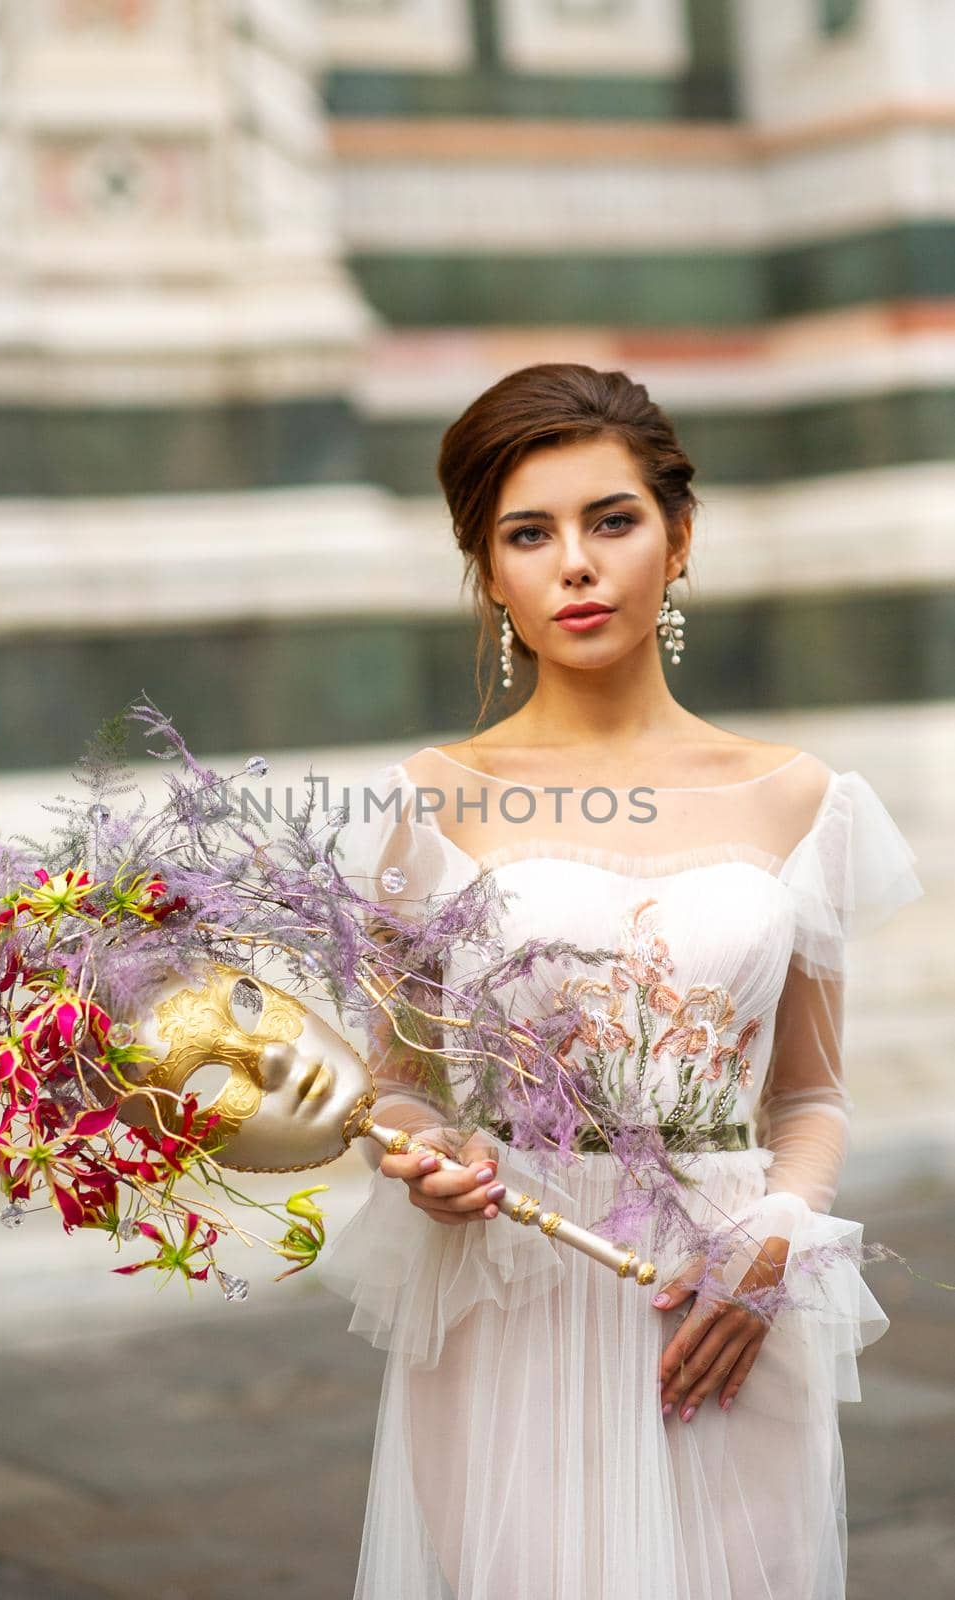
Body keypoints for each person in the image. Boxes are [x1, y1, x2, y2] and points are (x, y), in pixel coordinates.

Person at [318, 365, 924, 1599]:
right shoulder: (433, 801)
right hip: (510, 1289)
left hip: (723, 1306)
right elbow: (396, 1083)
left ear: (678, 536)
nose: (576, 565)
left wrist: (773, 1243)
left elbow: (808, 1097)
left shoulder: (802, 798)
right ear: (490, 573)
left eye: (612, 520)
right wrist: (422, 1157)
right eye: (528, 535)